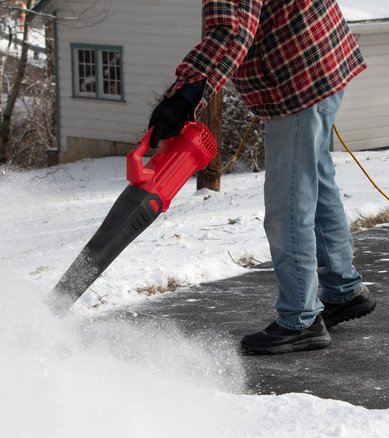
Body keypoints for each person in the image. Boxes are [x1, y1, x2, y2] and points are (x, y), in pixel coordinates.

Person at [148, 0, 375, 354]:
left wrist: (184, 95)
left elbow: (232, 29)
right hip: (321, 59)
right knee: (315, 179)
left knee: (289, 204)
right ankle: (343, 289)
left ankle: (300, 320)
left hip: (298, 80)